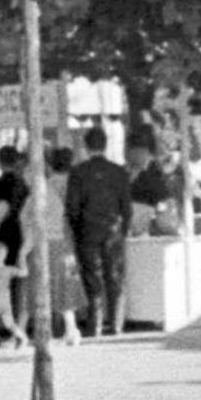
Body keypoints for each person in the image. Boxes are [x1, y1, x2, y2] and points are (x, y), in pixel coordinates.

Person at [64, 125, 133, 337]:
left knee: (92, 275)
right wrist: (125, 229)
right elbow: (126, 206)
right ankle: (116, 323)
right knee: (114, 276)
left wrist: (76, 229)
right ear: (106, 144)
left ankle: (94, 322)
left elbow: (72, 206)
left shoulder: (77, 173)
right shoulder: (119, 172)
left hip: (87, 230)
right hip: (113, 231)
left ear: (85, 146)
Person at [43, 148, 84, 346]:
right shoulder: (76, 183)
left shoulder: (47, 185)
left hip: (53, 237)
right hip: (69, 237)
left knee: (53, 280)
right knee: (68, 279)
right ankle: (71, 325)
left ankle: (60, 327)